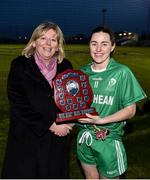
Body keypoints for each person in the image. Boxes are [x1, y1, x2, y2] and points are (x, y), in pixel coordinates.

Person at [1, 21, 74, 179]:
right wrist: (49, 124)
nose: (48, 43)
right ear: (34, 42)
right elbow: (18, 103)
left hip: (56, 141)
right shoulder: (20, 65)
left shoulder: (66, 66)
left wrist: (70, 120)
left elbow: (72, 99)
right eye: (43, 38)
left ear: (58, 44)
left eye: (53, 39)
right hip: (27, 139)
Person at [76, 26, 147, 179]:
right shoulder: (81, 74)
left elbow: (131, 110)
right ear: (89, 45)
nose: (98, 49)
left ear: (113, 46)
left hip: (108, 140)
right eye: (94, 43)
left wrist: (102, 120)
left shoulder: (122, 72)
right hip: (84, 137)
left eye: (104, 44)